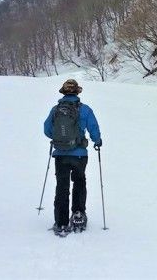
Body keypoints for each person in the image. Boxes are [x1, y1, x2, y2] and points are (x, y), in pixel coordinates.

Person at [44, 79, 102, 235]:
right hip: (79, 155)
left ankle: (61, 222)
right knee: (79, 182)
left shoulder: (55, 110)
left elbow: (47, 130)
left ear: (63, 93)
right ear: (77, 92)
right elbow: (93, 129)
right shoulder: (85, 110)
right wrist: (97, 140)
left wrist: (60, 138)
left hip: (60, 155)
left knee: (62, 187)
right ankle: (78, 214)